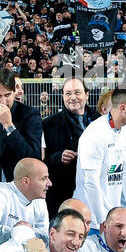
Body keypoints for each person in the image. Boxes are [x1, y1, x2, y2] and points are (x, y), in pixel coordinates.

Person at [75, 88, 126, 230]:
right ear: (123, 108)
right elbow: (90, 183)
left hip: (113, 217)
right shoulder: (95, 134)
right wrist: (102, 221)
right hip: (92, 221)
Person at [42, 77, 98, 213]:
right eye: (68, 93)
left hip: (95, 191)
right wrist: (58, 157)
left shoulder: (99, 121)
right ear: (62, 96)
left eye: (77, 92)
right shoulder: (48, 124)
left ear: (87, 94)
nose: (73, 97)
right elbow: (40, 158)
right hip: (62, 193)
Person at [0, 157, 51, 243]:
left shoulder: (39, 200)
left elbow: (46, 237)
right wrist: (18, 231)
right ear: (25, 181)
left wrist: (29, 231)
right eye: (44, 178)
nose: (49, 183)